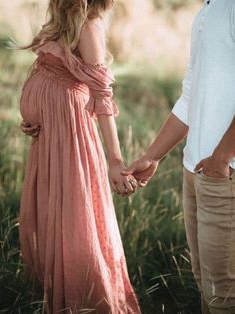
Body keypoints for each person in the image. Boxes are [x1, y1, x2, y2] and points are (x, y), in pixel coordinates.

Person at [18, 0, 142, 313]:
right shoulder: (68, 17)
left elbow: (102, 96)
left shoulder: (88, 25)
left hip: (69, 132)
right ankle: (53, 282)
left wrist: (115, 160)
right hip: (51, 134)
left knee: (73, 205)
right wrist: (35, 109)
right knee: (54, 203)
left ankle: (84, 296)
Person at [122, 0, 235, 313]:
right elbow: (190, 94)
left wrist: (222, 158)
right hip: (195, 170)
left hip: (225, 176)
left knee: (224, 294)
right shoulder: (206, 11)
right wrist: (152, 156)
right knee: (206, 285)